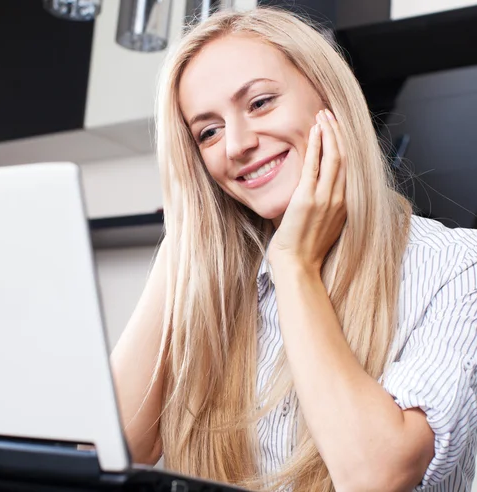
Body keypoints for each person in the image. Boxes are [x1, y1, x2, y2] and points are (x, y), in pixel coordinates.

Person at [110, 7, 477, 492]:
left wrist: (295, 266)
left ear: (330, 97)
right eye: (208, 132)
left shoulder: (457, 266)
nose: (236, 144)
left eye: (260, 102)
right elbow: (113, 452)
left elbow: (375, 476)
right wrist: (185, 230)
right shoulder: (217, 282)